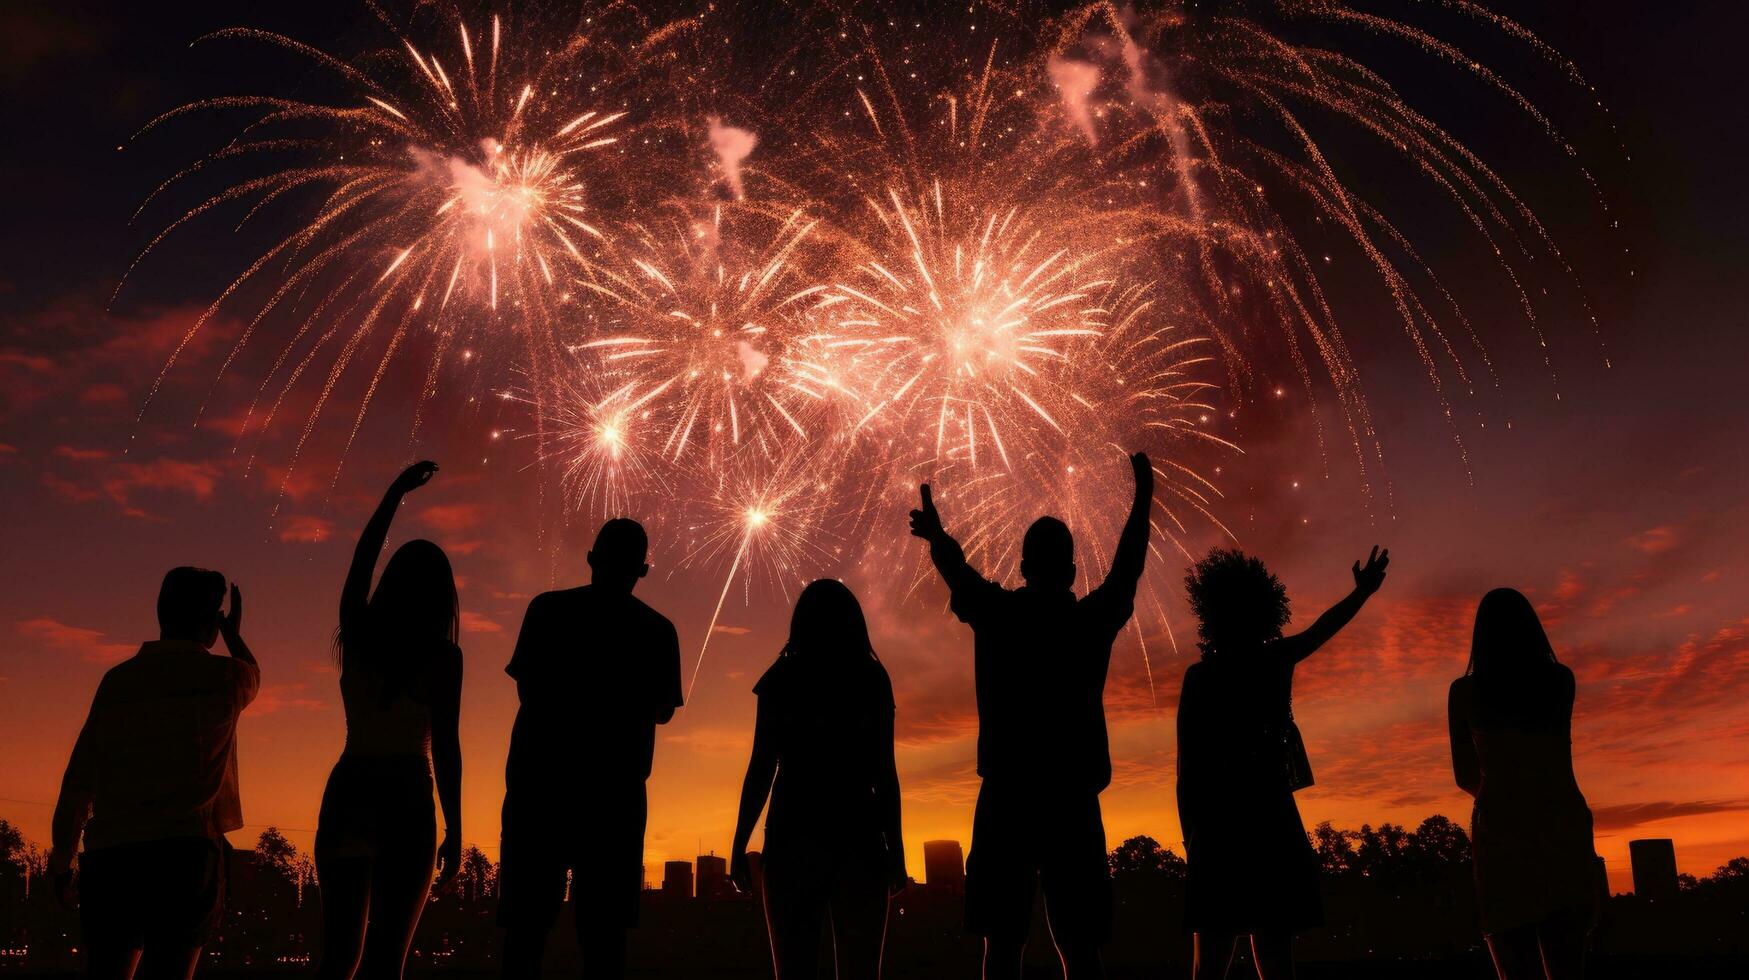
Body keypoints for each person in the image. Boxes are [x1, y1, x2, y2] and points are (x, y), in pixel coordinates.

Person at [908, 451, 1155, 980]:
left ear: (1023, 568)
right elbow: (1128, 566)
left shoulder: (999, 617)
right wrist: (1143, 496)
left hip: (1007, 796)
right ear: (1071, 570)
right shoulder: (1088, 623)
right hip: (1072, 798)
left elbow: (959, 573)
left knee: (1001, 946)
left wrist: (937, 536)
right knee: (1082, 948)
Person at [1176, 545, 1389, 980]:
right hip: (1270, 817)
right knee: (1275, 958)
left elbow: (1187, 768)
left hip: (1217, 825)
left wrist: (1190, 837)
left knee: (1210, 961)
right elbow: (1320, 630)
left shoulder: (1201, 677)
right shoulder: (1273, 661)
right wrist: (1361, 594)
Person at [47, 566, 260, 980]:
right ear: (211, 621)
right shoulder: (225, 678)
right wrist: (232, 633)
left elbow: (79, 779)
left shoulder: (117, 682)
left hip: (113, 855)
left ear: (161, 612)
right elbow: (253, 673)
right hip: (185, 855)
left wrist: (62, 858)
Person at [497, 518, 683, 980]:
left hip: (539, 792)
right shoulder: (658, 631)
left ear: (591, 558)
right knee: (605, 941)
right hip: (614, 801)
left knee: (525, 936)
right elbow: (664, 711)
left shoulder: (546, 611)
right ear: (642, 570)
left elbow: (528, 690)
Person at [315, 460, 463, 980]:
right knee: (386, 964)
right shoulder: (442, 658)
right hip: (405, 796)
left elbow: (361, 561)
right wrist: (456, 825)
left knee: (338, 958)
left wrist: (395, 492)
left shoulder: (358, 634)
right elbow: (446, 746)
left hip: (350, 786)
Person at [729, 579, 906, 980]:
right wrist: (896, 853)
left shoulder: (781, 677)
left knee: (793, 970)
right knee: (862, 972)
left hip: (792, 834)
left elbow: (761, 768)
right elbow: (885, 775)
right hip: (859, 835)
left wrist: (739, 843)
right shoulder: (872, 679)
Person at [1449, 589, 1599, 980]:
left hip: (1501, 831)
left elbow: (1465, 776)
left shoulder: (1464, 693)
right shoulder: (1560, 681)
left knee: (1515, 965)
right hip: (1562, 822)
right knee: (1568, 965)